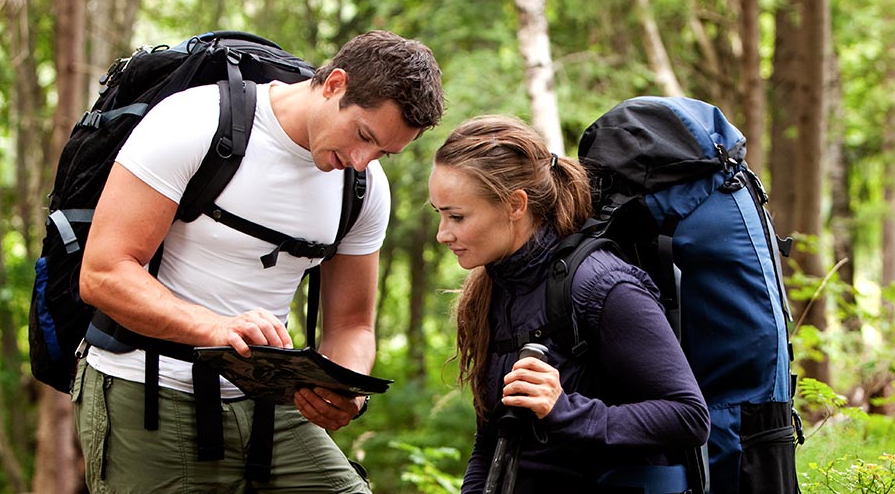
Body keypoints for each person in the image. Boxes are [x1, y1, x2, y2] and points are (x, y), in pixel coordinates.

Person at [74, 30, 445, 492]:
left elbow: (352, 325)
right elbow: (104, 273)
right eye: (363, 136)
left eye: (383, 152)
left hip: (274, 408)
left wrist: (343, 390)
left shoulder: (365, 187)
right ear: (334, 84)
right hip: (146, 392)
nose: (361, 159)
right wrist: (215, 328)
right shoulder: (196, 121)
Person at [428, 115, 710, 493]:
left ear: (516, 205)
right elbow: (494, 436)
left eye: (457, 216)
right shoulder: (492, 289)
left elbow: (688, 417)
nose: (442, 234)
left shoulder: (602, 285)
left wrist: (564, 409)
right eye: (440, 214)